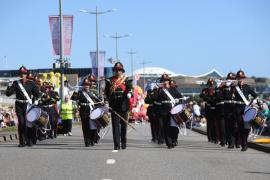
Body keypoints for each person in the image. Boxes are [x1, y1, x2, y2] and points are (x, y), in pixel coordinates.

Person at [6, 66, 40, 147]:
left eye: (24, 73)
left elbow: (37, 94)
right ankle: (22, 142)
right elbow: (8, 94)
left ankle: (30, 140)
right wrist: (9, 86)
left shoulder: (31, 83)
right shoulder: (15, 83)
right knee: (21, 122)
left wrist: (35, 100)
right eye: (21, 73)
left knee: (29, 123)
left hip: (28, 105)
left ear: (26, 74)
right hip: (19, 105)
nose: (22, 75)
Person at [105, 62, 133, 150]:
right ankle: (116, 144)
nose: (118, 72)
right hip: (114, 105)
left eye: (119, 70)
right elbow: (107, 93)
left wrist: (129, 94)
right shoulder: (109, 80)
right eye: (116, 70)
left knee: (124, 125)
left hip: (123, 104)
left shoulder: (126, 80)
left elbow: (130, 91)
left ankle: (123, 142)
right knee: (115, 126)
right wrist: (106, 102)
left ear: (122, 71)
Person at [71, 77, 101, 147]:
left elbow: (98, 100)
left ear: (89, 86)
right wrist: (75, 91)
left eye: (88, 85)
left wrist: (103, 102)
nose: (86, 86)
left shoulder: (92, 93)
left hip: (92, 110)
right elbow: (73, 99)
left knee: (93, 126)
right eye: (85, 85)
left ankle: (93, 139)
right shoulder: (80, 93)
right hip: (83, 110)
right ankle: (87, 142)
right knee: (85, 127)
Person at [233, 70, 257, 151]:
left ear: (243, 78)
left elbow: (255, 95)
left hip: (246, 108)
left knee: (246, 127)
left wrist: (252, 102)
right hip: (237, 108)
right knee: (240, 127)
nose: (240, 79)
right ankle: (243, 144)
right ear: (237, 78)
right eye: (239, 77)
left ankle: (245, 142)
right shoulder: (234, 87)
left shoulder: (247, 86)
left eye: (241, 77)